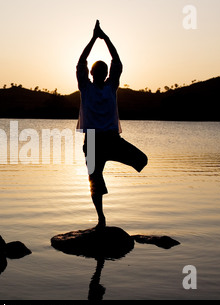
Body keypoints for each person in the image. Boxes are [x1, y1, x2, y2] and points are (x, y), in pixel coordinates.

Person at [77, 20, 148, 229]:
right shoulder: (85, 87)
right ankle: (101, 220)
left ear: (106, 74)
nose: (100, 74)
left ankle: (102, 216)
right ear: (92, 74)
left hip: (111, 139)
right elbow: (82, 61)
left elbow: (115, 60)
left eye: (104, 71)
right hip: (92, 141)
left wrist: (101, 37)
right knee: (95, 181)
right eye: (98, 72)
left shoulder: (111, 86)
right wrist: (96, 38)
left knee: (141, 160)